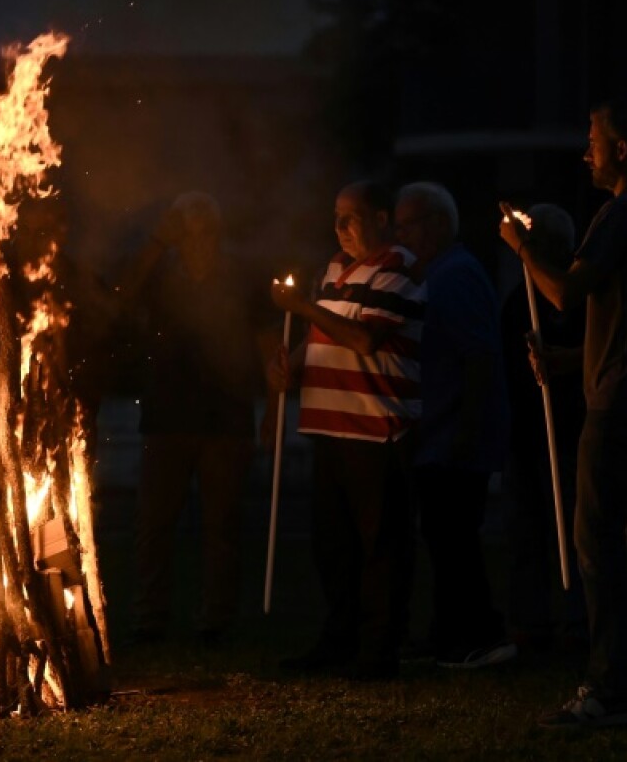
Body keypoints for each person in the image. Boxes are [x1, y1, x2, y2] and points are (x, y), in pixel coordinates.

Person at [499, 97, 627, 728]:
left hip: (617, 408)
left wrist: (522, 249)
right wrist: (565, 361)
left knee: (598, 545)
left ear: (622, 150)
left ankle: (605, 691)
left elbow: (565, 291)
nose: (587, 153)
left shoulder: (620, 215)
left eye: (594, 140)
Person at [268, 180, 424, 680]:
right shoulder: (334, 268)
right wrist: (290, 365)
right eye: (335, 216)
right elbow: (323, 336)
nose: (340, 228)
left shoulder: (400, 267)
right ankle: (340, 640)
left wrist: (300, 309)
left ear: (381, 218)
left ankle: (378, 653)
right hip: (329, 429)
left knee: (380, 548)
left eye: (350, 217)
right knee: (332, 546)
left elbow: (363, 338)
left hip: (377, 432)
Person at [119, 191, 270, 644]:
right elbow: (120, 295)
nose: (199, 237)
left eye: (206, 228)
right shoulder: (161, 272)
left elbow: (266, 341)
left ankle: (216, 617)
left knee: (221, 523)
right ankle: (151, 617)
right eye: (189, 228)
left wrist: (274, 408)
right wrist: (155, 244)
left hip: (227, 415)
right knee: (154, 522)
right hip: (167, 415)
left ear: (218, 232)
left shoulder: (242, 276)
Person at [393, 181, 514, 668]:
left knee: (454, 537)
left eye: (408, 225)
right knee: (445, 537)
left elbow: (479, 356)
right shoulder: (444, 272)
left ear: (438, 225)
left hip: (453, 436)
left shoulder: (453, 276)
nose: (401, 235)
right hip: (444, 432)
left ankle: (478, 633)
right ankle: (448, 633)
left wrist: (465, 430)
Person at [499, 203, 588, 653]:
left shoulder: (578, 294)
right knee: (525, 532)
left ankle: (577, 624)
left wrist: (557, 361)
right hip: (527, 433)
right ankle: (530, 627)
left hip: (569, 431)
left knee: (573, 533)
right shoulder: (520, 299)